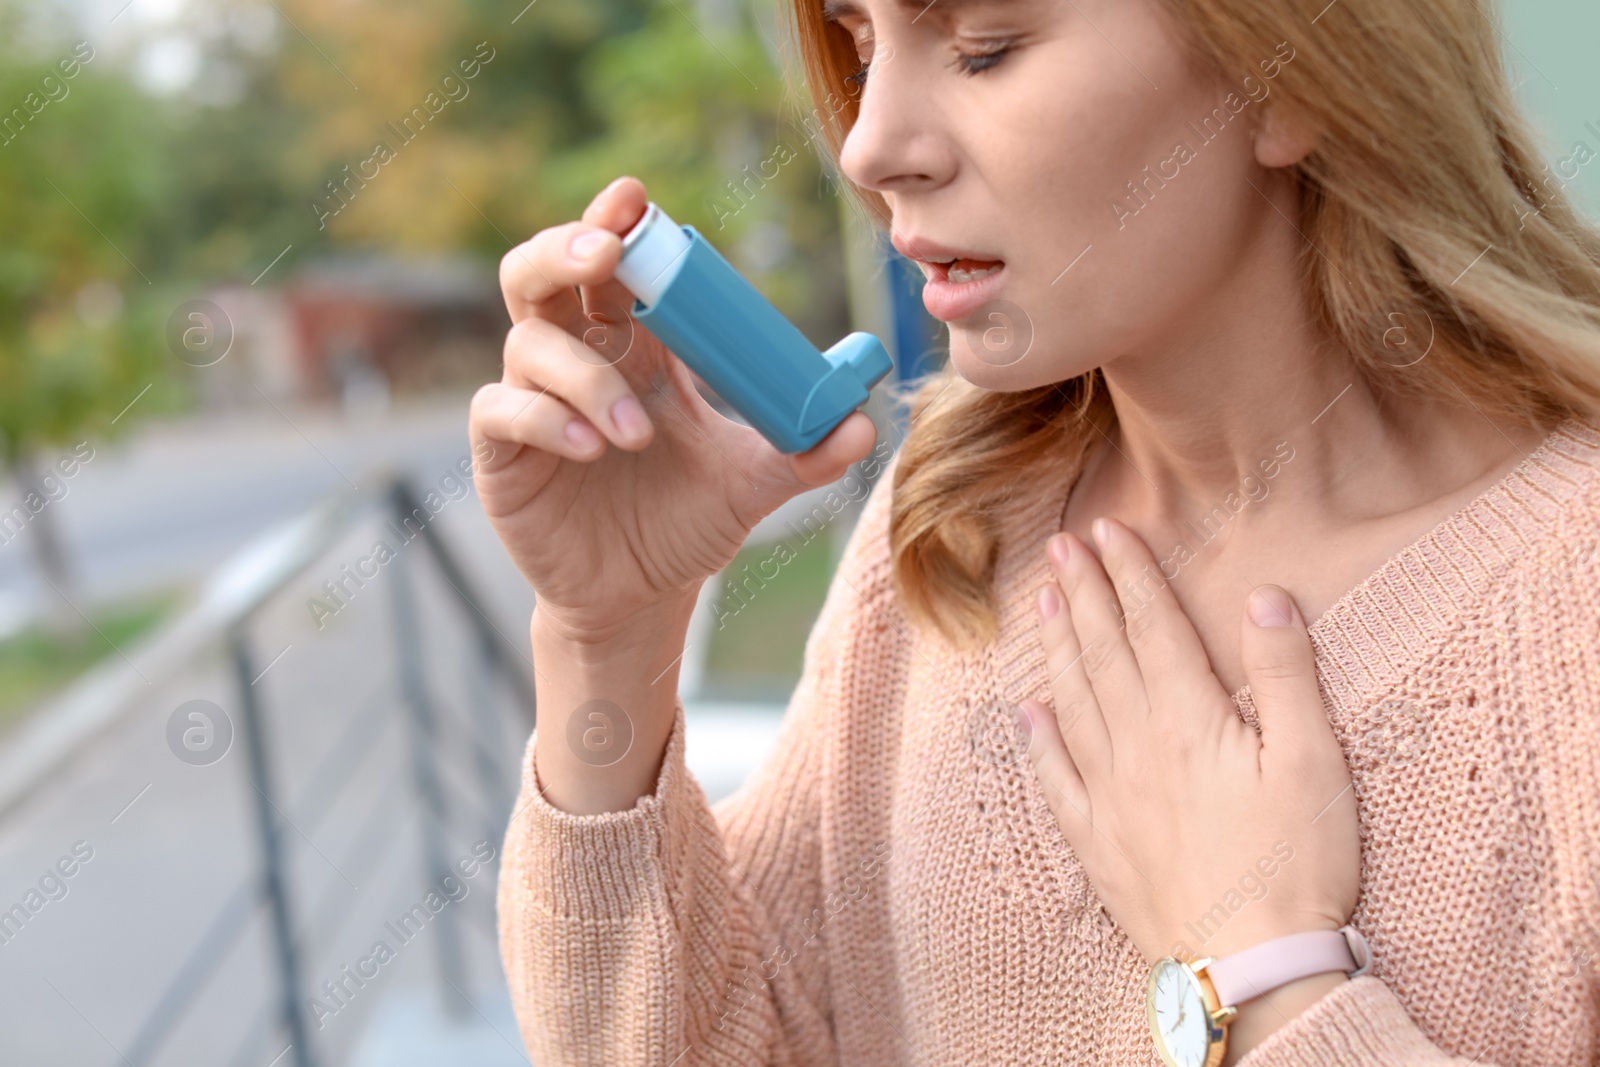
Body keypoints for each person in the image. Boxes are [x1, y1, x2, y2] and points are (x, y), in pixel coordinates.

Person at [470, 0, 1600, 1062]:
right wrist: (607, 634)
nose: (867, 146)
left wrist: (1268, 979)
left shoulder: (1571, 603)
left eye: (983, 45)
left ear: (1290, 71)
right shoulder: (953, 528)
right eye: (860, 48)